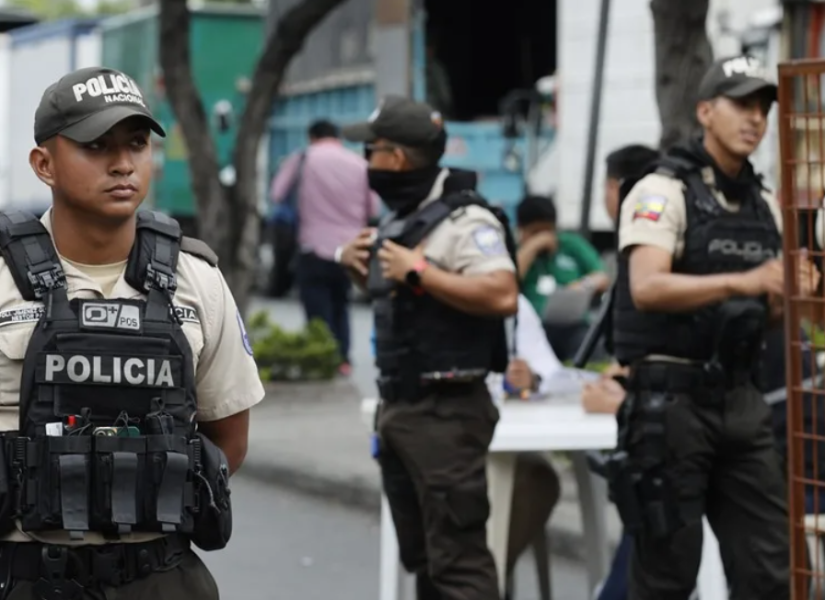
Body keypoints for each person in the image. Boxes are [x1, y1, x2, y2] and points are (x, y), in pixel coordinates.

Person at [0, 66, 265, 599]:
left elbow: (228, 441)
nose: (123, 163)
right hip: (23, 577)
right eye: (96, 146)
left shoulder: (198, 282)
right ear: (43, 164)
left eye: (137, 143)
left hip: (159, 577)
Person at [611, 55, 820, 600]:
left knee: (772, 571)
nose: (755, 119)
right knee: (666, 577)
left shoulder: (765, 202)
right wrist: (748, 279)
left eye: (763, 108)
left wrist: (794, 291)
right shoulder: (661, 190)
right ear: (705, 111)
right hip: (670, 403)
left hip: (741, 399)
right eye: (741, 104)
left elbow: (768, 315)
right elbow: (647, 287)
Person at [338, 95, 519, 600]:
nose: (366, 162)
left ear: (394, 157)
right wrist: (358, 266)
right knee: (427, 562)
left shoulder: (467, 221)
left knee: (459, 564)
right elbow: (402, 301)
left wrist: (419, 271)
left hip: (448, 413)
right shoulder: (404, 216)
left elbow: (502, 293)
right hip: (403, 408)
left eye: (370, 151)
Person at [270, 119, 379, 375]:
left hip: (313, 246)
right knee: (341, 303)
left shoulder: (304, 158)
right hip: (351, 250)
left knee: (317, 306)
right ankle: (343, 359)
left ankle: (322, 358)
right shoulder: (359, 164)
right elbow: (372, 208)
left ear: (312, 136)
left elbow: (277, 193)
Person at [515, 194, 610, 361]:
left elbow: (602, 277)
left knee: (592, 347)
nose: (544, 237)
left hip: (573, 324)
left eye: (548, 231)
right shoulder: (518, 252)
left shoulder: (570, 244)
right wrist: (533, 247)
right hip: (534, 326)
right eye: (535, 232)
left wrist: (581, 287)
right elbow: (511, 280)